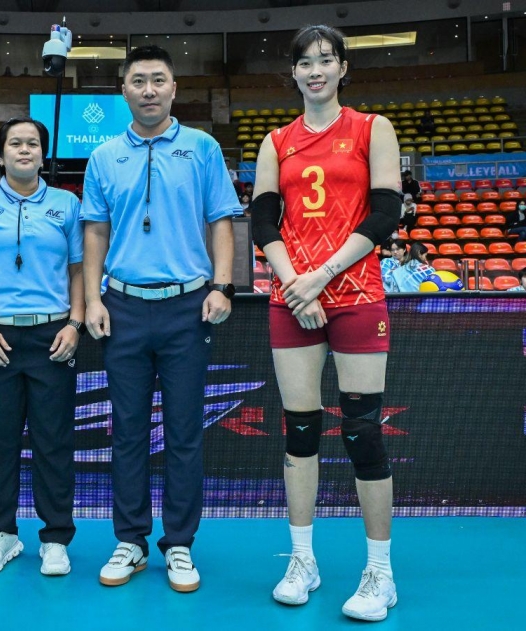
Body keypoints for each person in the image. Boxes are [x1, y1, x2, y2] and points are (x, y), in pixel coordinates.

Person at [251, 25, 402, 621]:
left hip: (356, 294)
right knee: (300, 431)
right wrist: (297, 285)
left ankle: (380, 572)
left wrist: (321, 277)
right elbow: (264, 220)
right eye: (305, 62)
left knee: (363, 431)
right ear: (293, 73)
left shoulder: (371, 128)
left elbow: (385, 212)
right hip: (294, 299)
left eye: (325, 60)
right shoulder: (276, 141)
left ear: (342, 68)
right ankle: (302, 561)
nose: (315, 71)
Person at [82, 45, 239, 593]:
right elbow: (95, 231)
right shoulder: (104, 156)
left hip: (187, 308)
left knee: (183, 433)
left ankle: (179, 544)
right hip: (123, 307)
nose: (148, 90)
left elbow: (221, 220)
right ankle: (130, 540)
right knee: (126, 431)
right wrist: (93, 299)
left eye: (158, 80)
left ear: (174, 88)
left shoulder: (203, 148)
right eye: (138, 81)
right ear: (123, 90)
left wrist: (222, 285)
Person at [0, 117, 84, 577]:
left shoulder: (66, 204)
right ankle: (0, 535)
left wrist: (76, 324)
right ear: (1, 155)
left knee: (53, 443)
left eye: (32, 144)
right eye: (15, 143)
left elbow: (78, 269)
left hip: (53, 337)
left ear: (43, 155)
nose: (24, 150)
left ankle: (55, 539)